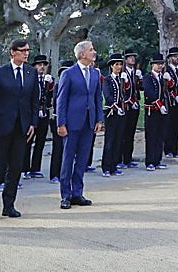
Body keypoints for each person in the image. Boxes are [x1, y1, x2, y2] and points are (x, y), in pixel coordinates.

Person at [0, 38, 38, 221]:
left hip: (22, 128)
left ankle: (9, 205)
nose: (26, 54)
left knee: (15, 168)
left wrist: (33, 123)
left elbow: (34, 100)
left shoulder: (31, 73)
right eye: (23, 50)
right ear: (13, 52)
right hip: (1, 127)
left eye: (28, 50)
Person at [56, 40, 104, 210]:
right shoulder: (68, 73)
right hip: (72, 122)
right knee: (68, 159)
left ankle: (77, 193)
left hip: (89, 122)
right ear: (82, 54)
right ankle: (65, 195)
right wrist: (61, 123)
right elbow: (61, 100)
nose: (94, 52)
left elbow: (98, 98)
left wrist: (99, 119)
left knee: (83, 159)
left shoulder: (95, 73)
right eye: (91, 50)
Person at [25, 54, 54, 179]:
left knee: (40, 142)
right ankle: (25, 168)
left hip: (44, 114)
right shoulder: (30, 79)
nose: (42, 67)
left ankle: (35, 168)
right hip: (32, 114)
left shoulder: (48, 79)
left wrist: (49, 84)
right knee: (27, 142)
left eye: (43, 65)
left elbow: (50, 96)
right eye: (39, 65)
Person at [100, 53, 127, 176]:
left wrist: (126, 83)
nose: (119, 67)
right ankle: (106, 166)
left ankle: (114, 166)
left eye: (120, 64)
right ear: (111, 66)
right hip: (111, 113)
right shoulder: (107, 80)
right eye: (116, 64)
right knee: (110, 140)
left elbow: (126, 94)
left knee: (118, 139)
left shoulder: (122, 79)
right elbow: (108, 96)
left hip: (121, 112)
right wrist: (117, 107)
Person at [143, 53, 170, 170]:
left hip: (162, 111)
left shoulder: (162, 77)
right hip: (152, 110)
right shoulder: (148, 77)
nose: (159, 66)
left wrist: (169, 80)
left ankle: (157, 160)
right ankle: (150, 161)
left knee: (160, 136)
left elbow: (169, 90)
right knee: (151, 136)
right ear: (152, 65)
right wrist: (159, 105)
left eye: (161, 64)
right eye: (157, 64)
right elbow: (149, 92)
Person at [48, 59, 73, 181]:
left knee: (68, 149)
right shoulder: (58, 85)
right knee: (58, 148)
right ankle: (55, 174)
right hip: (59, 119)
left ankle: (65, 173)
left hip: (71, 120)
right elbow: (56, 103)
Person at [163, 47, 178, 160]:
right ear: (169, 58)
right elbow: (166, 88)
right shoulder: (167, 70)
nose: (176, 58)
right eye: (174, 56)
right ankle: (168, 149)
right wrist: (174, 96)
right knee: (169, 126)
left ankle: (175, 150)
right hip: (170, 101)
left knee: (177, 126)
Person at [119, 50, 142, 169]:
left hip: (134, 105)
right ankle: (119, 159)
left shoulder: (135, 72)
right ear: (125, 60)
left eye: (133, 57)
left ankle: (128, 158)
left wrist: (140, 78)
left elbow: (141, 88)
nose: (132, 59)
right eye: (130, 57)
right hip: (126, 105)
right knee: (122, 133)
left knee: (130, 133)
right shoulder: (122, 72)